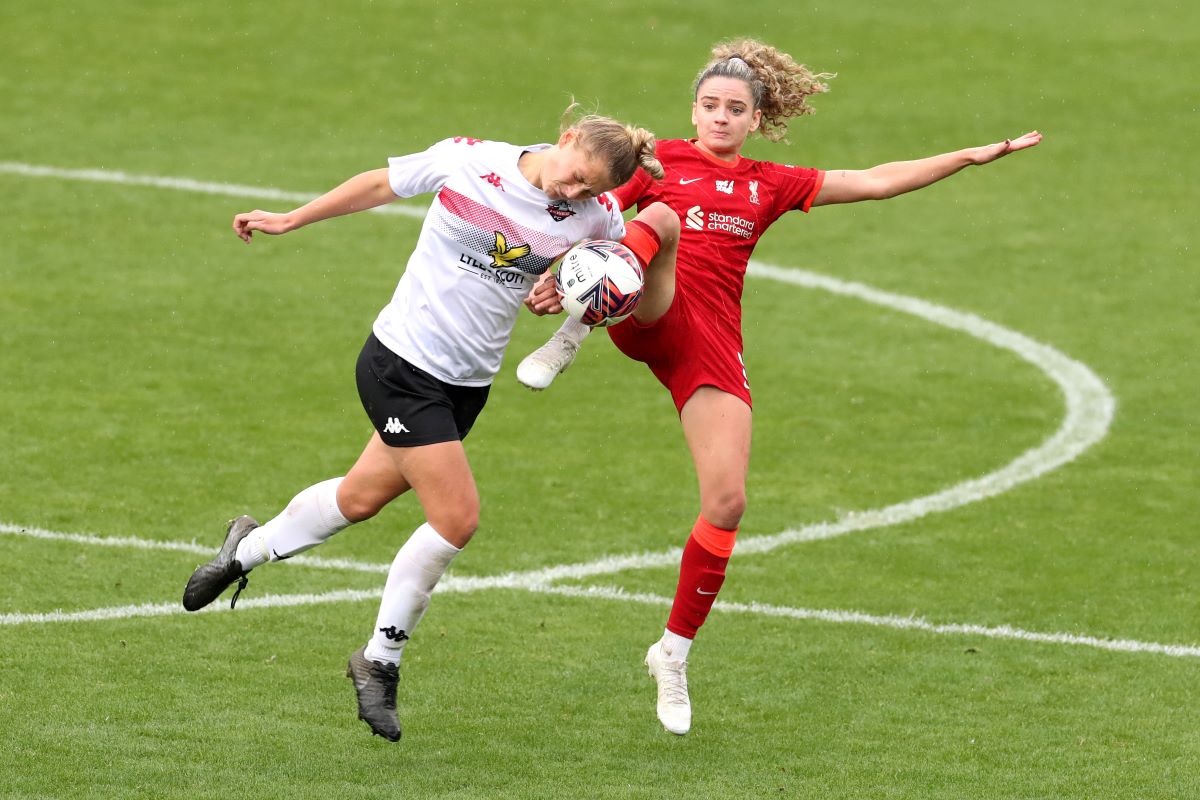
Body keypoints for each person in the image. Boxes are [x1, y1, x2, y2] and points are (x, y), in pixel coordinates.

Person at [516, 39, 1042, 736]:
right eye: (710, 106)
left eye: (736, 109)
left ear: (756, 119)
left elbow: (876, 180)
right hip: (649, 313)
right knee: (660, 220)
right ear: (693, 110)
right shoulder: (658, 161)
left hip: (708, 347)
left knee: (728, 503)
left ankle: (671, 653)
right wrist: (553, 275)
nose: (721, 118)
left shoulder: (770, 182)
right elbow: (589, 216)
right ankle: (568, 339)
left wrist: (968, 157)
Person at [182, 107, 680, 742]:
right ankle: (378, 662)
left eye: (590, 190)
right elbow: (379, 183)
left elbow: (598, 277)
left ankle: (242, 549)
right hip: (400, 362)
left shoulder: (596, 217)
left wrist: (561, 291)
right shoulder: (472, 161)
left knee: (358, 499)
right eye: (576, 176)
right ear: (567, 138)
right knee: (457, 518)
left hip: (466, 386)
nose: (575, 193)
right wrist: (292, 217)